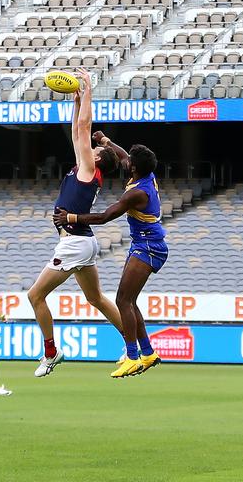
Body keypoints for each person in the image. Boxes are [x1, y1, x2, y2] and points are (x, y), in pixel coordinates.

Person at [28, 68, 122, 378]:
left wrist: (89, 90)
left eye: (96, 150)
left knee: (35, 296)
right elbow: (75, 131)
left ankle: (51, 352)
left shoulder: (88, 167)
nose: (91, 148)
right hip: (83, 241)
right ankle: (134, 343)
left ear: (97, 159)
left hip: (73, 243)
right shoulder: (88, 169)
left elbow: (83, 127)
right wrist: (76, 101)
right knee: (95, 298)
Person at [53, 133, 165, 378]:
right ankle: (147, 353)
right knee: (129, 301)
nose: (126, 161)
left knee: (123, 301)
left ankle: (133, 357)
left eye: (130, 161)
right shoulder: (144, 174)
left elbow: (104, 217)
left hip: (148, 246)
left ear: (134, 167)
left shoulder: (137, 193)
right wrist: (105, 141)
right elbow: (123, 154)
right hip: (144, 243)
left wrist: (72, 218)